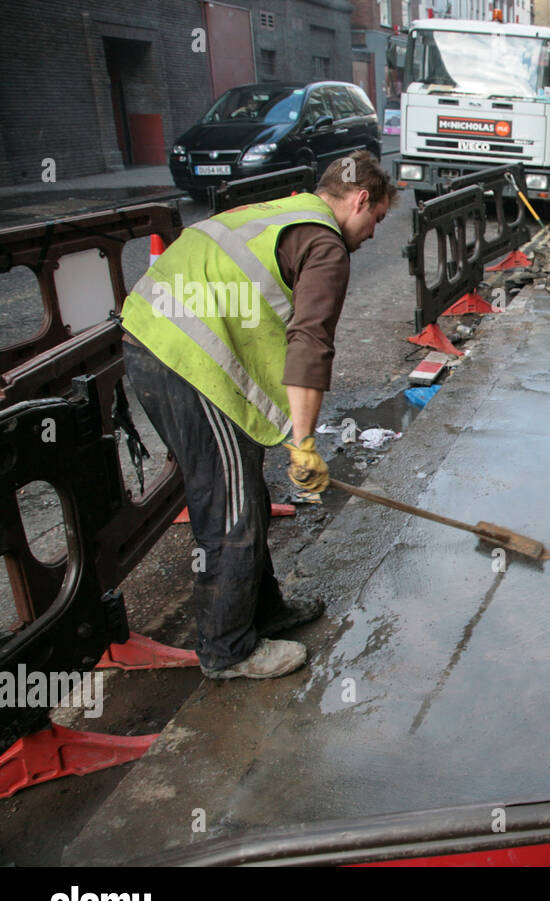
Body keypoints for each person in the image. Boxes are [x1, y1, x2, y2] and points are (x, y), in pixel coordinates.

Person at [119, 150, 397, 680]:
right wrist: (305, 442)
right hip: (182, 359)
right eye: (376, 218)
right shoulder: (324, 245)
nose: (373, 233)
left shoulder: (285, 210)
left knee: (243, 490)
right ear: (360, 199)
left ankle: (263, 610)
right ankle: (227, 650)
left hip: (163, 339)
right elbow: (310, 343)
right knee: (230, 507)